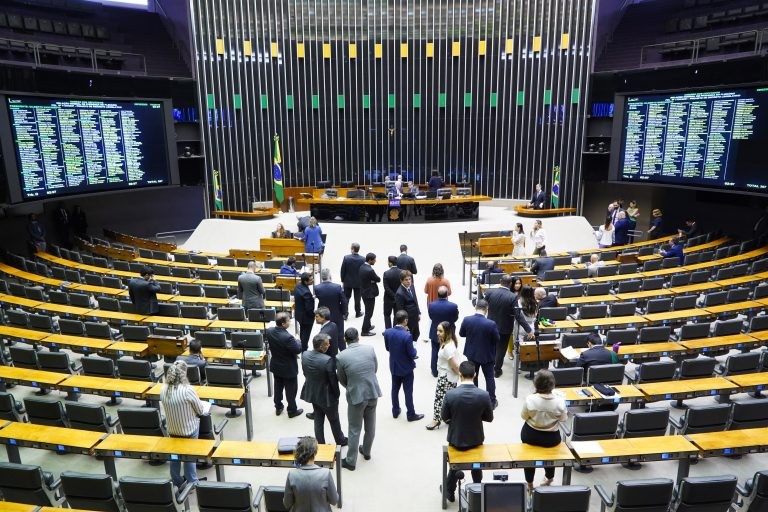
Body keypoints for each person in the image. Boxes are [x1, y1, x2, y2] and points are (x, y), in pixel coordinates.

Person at [441, 361, 494, 502]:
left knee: (453, 466)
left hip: (456, 437)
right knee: (477, 466)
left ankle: (449, 492)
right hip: (476, 438)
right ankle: (477, 493)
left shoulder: (450, 394)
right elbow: (489, 418)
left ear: (460, 374)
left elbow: (444, 417)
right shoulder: (484, 395)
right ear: (475, 374)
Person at [336, 327, 381, 470]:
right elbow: (375, 368)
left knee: (354, 429)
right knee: (370, 426)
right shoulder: (370, 349)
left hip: (356, 396)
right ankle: (367, 452)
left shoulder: (341, 356)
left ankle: (350, 461)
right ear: (358, 338)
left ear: (345, 339)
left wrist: (351, 386)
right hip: (372, 391)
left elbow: (342, 379)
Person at [161, 360, 206, 489]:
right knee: (189, 454)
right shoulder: (188, 390)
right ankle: (192, 481)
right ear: (183, 374)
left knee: (175, 455)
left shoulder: (163, 389)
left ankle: (177, 481)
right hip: (188, 431)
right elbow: (200, 410)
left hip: (172, 430)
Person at [520, 369, 568, 491]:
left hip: (530, 435)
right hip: (551, 438)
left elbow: (523, 417)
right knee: (550, 456)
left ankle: (529, 483)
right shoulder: (560, 401)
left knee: (528, 458)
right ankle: (549, 477)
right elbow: (563, 419)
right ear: (552, 385)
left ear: (535, 384)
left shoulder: (530, 399)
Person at [301, 333, 347, 446]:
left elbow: (304, 372)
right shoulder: (328, 360)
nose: (329, 345)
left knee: (318, 418)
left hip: (312, 392)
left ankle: (320, 444)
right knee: (334, 420)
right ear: (321, 347)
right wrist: (337, 394)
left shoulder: (305, 354)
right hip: (327, 396)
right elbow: (333, 381)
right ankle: (340, 440)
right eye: (327, 343)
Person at [459, 299, 500, 409]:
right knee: (489, 378)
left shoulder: (467, 320)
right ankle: (491, 402)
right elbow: (497, 339)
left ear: (475, 308)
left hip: (471, 354)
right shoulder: (491, 324)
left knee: (472, 377)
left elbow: (461, 334)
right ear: (487, 309)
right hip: (487, 355)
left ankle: (474, 399)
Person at [383, 310, 423, 422]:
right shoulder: (407, 336)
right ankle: (411, 414)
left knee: (394, 389)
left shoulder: (387, 332)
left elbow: (387, 348)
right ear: (405, 321)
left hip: (394, 366)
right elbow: (412, 353)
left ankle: (395, 411)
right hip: (406, 368)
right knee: (408, 391)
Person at [283, 436, 339, 511]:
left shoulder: (292, 474)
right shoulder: (326, 474)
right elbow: (334, 500)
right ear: (315, 453)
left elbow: (287, 503)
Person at [266, 312, 303, 417]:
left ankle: (278, 407)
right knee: (291, 391)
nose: (290, 322)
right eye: (288, 321)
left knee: (278, 388)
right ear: (283, 324)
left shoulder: (269, 331)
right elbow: (298, 350)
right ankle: (292, 411)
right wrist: (298, 340)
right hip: (288, 368)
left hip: (276, 366)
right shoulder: (288, 338)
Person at [426, 321, 461, 430]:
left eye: (440, 331)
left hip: (446, 377)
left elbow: (454, 365)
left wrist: (461, 375)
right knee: (448, 398)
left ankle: (436, 420)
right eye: (437, 330)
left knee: (439, 399)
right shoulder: (448, 342)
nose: (437, 333)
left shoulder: (447, 348)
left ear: (447, 332)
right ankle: (449, 417)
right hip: (448, 376)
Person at [483, 275, 519, 378]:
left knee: (491, 346)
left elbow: (483, 305)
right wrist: (528, 329)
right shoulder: (513, 296)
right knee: (501, 350)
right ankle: (497, 370)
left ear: (500, 281)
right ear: (511, 284)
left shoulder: (490, 292)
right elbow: (517, 314)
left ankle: (488, 366)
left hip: (490, 325)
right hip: (505, 327)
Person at [427, 286, 459, 378]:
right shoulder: (453, 306)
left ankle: (434, 371)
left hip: (436, 332)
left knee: (435, 351)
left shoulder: (431, 305)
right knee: (450, 351)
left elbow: (431, 317)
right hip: (449, 332)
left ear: (438, 295)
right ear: (447, 294)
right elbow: (455, 318)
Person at [314, 268, 347, 344]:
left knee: (326, 333)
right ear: (330, 276)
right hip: (337, 314)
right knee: (340, 335)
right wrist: (343, 312)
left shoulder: (317, 288)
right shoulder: (337, 287)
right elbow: (344, 301)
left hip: (324, 315)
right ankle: (342, 351)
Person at [394, 269, 421, 342]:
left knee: (417, 334)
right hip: (408, 321)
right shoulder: (399, 293)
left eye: (410, 279)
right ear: (401, 281)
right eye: (406, 280)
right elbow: (401, 310)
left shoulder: (411, 286)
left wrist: (418, 312)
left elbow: (415, 300)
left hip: (415, 317)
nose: (409, 281)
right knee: (409, 337)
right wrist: (404, 325)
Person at [340, 243, 365, 319]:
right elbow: (363, 271)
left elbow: (342, 270)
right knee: (357, 299)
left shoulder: (346, 258)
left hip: (347, 282)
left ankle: (345, 314)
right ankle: (358, 313)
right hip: (358, 282)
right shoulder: (363, 259)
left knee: (346, 298)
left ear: (352, 249)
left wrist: (342, 279)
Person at [358, 253, 380, 336]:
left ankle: (368, 326)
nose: (375, 261)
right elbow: (378, 279)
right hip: (370, 294)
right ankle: (364, 331)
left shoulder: (362, 266)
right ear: (370, 260)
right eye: (374, 260)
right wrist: (373, 281)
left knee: (367, 310)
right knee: (369, 313)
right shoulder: (370, 270)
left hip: (363, 292)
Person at [293, 273, 316, 351]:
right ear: (306, 282)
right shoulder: (306, 293)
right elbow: (309, 309)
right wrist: (314, 315)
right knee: (306, 335)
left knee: (302, 332)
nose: (313, 280)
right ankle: (304, 349)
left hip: (299, 315)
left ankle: (303, 345)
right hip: (306, 318)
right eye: (311, 280)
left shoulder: (298, 285)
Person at [382, 256, 401, 329]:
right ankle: (395, 329)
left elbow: (386, 288)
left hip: (388, 298)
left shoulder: (386, 273)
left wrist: (393, 295)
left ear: (390, 263)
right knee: (396, 315)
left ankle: (388, 330)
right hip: (398, 298)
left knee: (387, 315)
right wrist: (396, 296)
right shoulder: (401, 272)